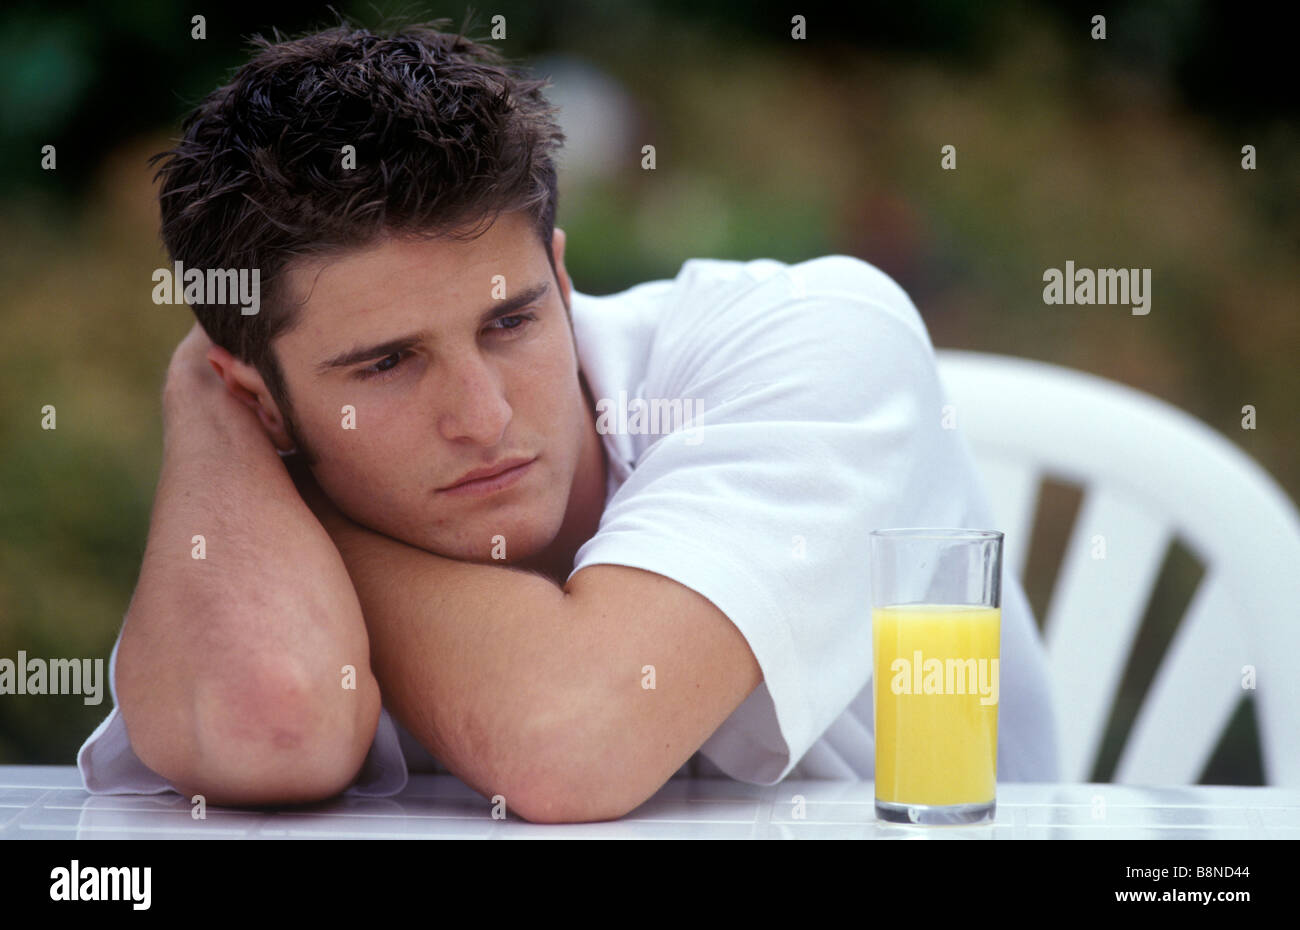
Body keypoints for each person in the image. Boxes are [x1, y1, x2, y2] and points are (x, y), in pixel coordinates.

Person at [78, 20, 1060, 823]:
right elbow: (276, 720)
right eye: (386, 363)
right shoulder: (238, 480)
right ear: (255, 395)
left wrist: (297, 495)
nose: (482, 415)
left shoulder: (821, 336)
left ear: (560, 271)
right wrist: (206, 404)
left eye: (510, 321)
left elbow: (569, 741)